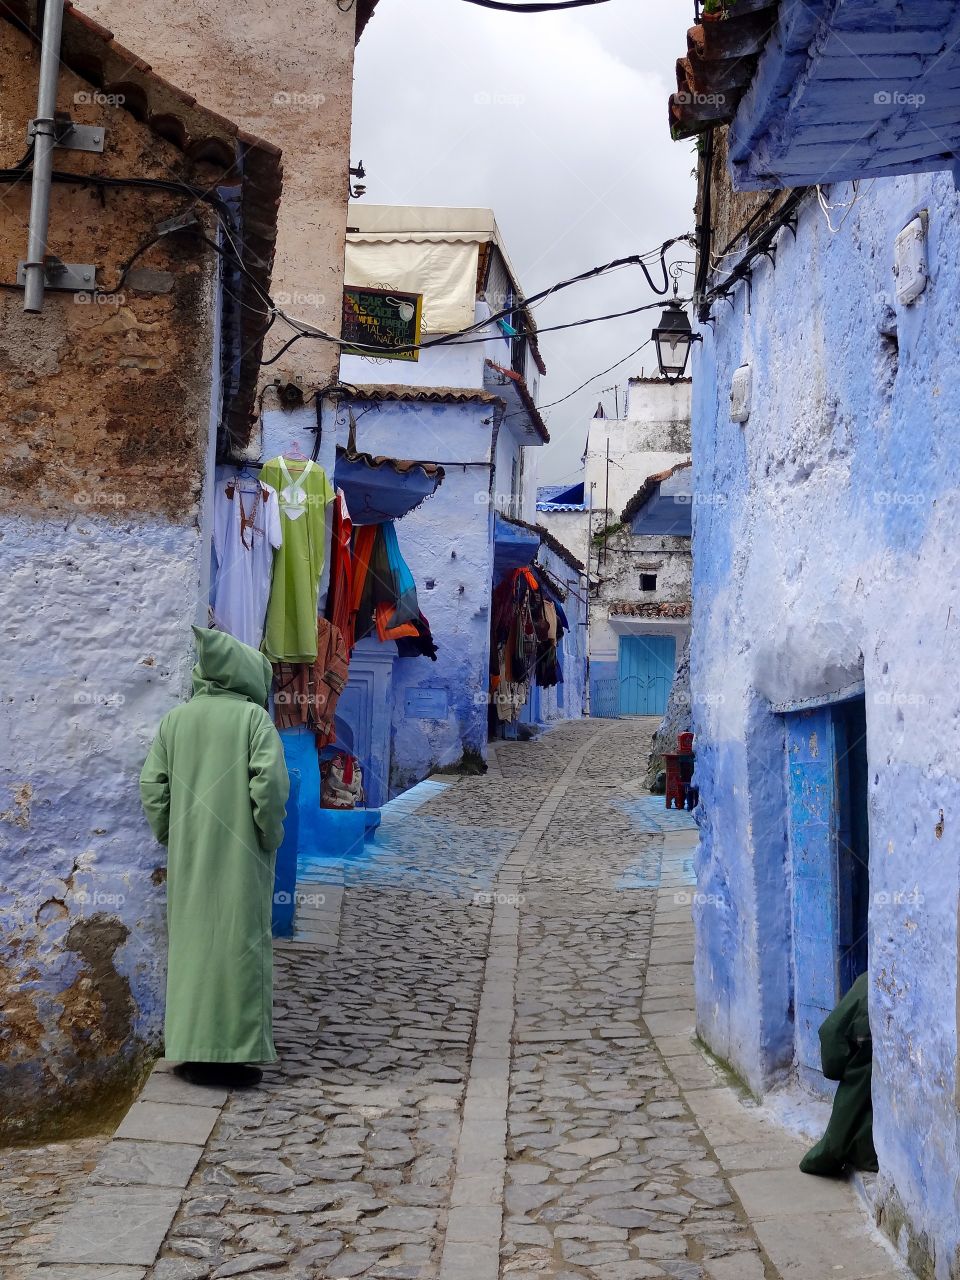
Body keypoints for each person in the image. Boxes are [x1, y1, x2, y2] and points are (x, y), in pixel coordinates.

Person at [140, 626, 289, 1088]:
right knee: (241, 946)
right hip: (242, 861)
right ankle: (235, 1055)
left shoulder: (175, 721)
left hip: (190, 860)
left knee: (192, 948)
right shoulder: (253, 720)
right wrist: (269, 836)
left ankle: (190, 1049)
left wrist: (174, 834)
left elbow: (152, 787)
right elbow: (270, 786)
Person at [800, 971, 878, 1176]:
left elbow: (831, 1032)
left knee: (851, 1107)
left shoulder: (868, 982)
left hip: (862, 1056)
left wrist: (837, 1069)